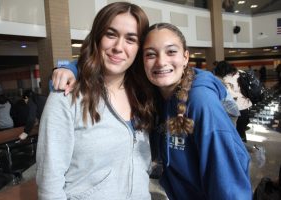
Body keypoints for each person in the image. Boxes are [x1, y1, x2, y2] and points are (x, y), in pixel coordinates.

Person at [52, 23, 252, 199]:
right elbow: (111, 62)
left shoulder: (201, 102)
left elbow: (228, 184)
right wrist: (73, 68)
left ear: (186, 57)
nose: (161, 62)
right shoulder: (154, 94)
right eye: (150, 54)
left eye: (171, 52)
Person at [36, 2, 155, 200]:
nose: (118, 47)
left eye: (131, 39)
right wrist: (74, 68)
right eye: (111, 34)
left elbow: (176, 73)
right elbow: (49, 181)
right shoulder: (67, 97)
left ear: (140, 48)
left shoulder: (144, 95)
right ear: (97, 38)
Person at [214, 61, 252, 143]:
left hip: (234, 109)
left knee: (233, 134)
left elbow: (227, 95)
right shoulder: (240, 73)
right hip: (245, 107)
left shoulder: (225, 79)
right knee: (241, 132)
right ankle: (243, 151)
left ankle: (238, 152)